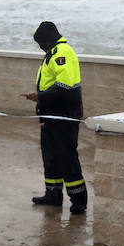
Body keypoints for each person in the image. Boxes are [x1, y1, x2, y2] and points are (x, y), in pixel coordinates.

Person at [21, 21, 86, 213]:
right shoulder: (51, 53)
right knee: (50, 157)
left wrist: (40, 96)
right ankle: (53, 194)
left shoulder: (62, 53)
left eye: (40, 42)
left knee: (67, 157)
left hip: (63, 116)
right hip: (51, 115)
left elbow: (65, 86)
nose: (40, 46)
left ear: (48, 38)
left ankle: (78, 200)